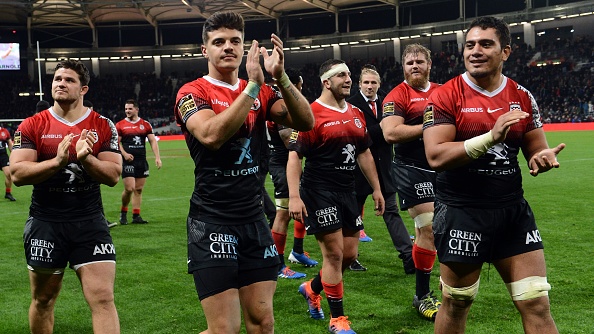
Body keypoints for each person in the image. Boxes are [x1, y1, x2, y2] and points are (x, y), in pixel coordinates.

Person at [173, 11, 314, 334]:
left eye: (235, 41)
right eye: (218, 42)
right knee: (224, 329)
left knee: (263, 323)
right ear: (204, 50)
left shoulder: (265, 90)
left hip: (253, 222)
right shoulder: (192, 92)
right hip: (211, 221)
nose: (228, 47)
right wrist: (252, 85)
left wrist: (281, 78)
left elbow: (306, 122)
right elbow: (210, 135)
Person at [422, 16, 562, 333]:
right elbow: (436, 155)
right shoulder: (446, 95)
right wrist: (490, 138)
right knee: (457, 302)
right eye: (470, 45)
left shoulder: (522, 96)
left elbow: (535, 148)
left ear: (505, 52)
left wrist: (542, 157)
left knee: (536, 302)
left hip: (512, 211)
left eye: (486, 44)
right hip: (462, 212)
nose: (475, 51)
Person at [9, 59, 122, 334]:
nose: (61, 83)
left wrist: (86, 160)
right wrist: (57, 162)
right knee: (44, 300)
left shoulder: (103, 125)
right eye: (57, 78)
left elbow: (113, 175)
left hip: (90, 222)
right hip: (46, 223)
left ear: (83, 89)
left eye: (69, 80)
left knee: (104, 299)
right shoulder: (32, 125)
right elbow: (18, 174)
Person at [288, 59, 385, 334]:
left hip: (347, 191)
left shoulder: (356, 112)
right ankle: (338, 320)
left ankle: (311, 288)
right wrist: (295, 196)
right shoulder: (310, 114)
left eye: (349, 75)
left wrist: (376, 188)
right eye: (341, 75)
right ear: (326, 82)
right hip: (319, 192)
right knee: (333, 254)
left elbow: (364, 152)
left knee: (349, 256)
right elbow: (295, 156)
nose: (348, 79)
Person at [381, 43, 442, 320]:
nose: (414, 66)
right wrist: (429, 127)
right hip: (410, 168)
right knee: (428, 227)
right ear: (403, 67)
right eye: (409, 63)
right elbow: (391, 133)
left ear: (429, 65)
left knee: (432, 232)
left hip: (442, 167)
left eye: (419, 61)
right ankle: (423, 295)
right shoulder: (397, 96)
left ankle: (437, 286)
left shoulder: (443, 91)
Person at [346, 64, 415, 273]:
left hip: (384, 169)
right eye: (366, 82)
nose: (369, 86)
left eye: (373, 82)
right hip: (357, 170)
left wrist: (385, 130)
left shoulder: (388, 101)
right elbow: (358, 136)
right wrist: (384, 129)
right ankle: (351, 257)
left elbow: (391, 130)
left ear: (379, 84)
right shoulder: (350, 105)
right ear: (359, 84)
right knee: (353, 216)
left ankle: (408, 256)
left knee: (391, 212)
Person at [267, 68, 318, 279]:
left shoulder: (278, 104)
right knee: (283, 214)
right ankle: (277, 265)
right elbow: (290, 141)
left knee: (300, 208)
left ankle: (297, 251)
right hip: (282, 165)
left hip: (286, 163)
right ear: (296, 85)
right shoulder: (283, 108)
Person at [116, 98, 162, 225]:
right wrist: (124, 154)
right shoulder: (120, 125)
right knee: (129, 188)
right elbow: (117, 142)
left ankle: (136, 216)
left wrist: (157, 157)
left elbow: (152, 141)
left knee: (139, 189)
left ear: (136, 109)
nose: (127, 111)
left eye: (130, 109)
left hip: (141, 161)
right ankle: (123, 212)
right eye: (126, 109)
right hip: (127, 161)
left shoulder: (145, 124)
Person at [85, 100, 118, 229]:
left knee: (95, 194)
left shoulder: (100, 125)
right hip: (82, 168)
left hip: (95, 166)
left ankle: (101, 220)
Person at [0, 125, 15, 201]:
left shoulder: (4, 131)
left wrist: (13, 154)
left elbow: (9, 143)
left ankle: (8, 193)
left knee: (9, 174)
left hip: (3, 156)